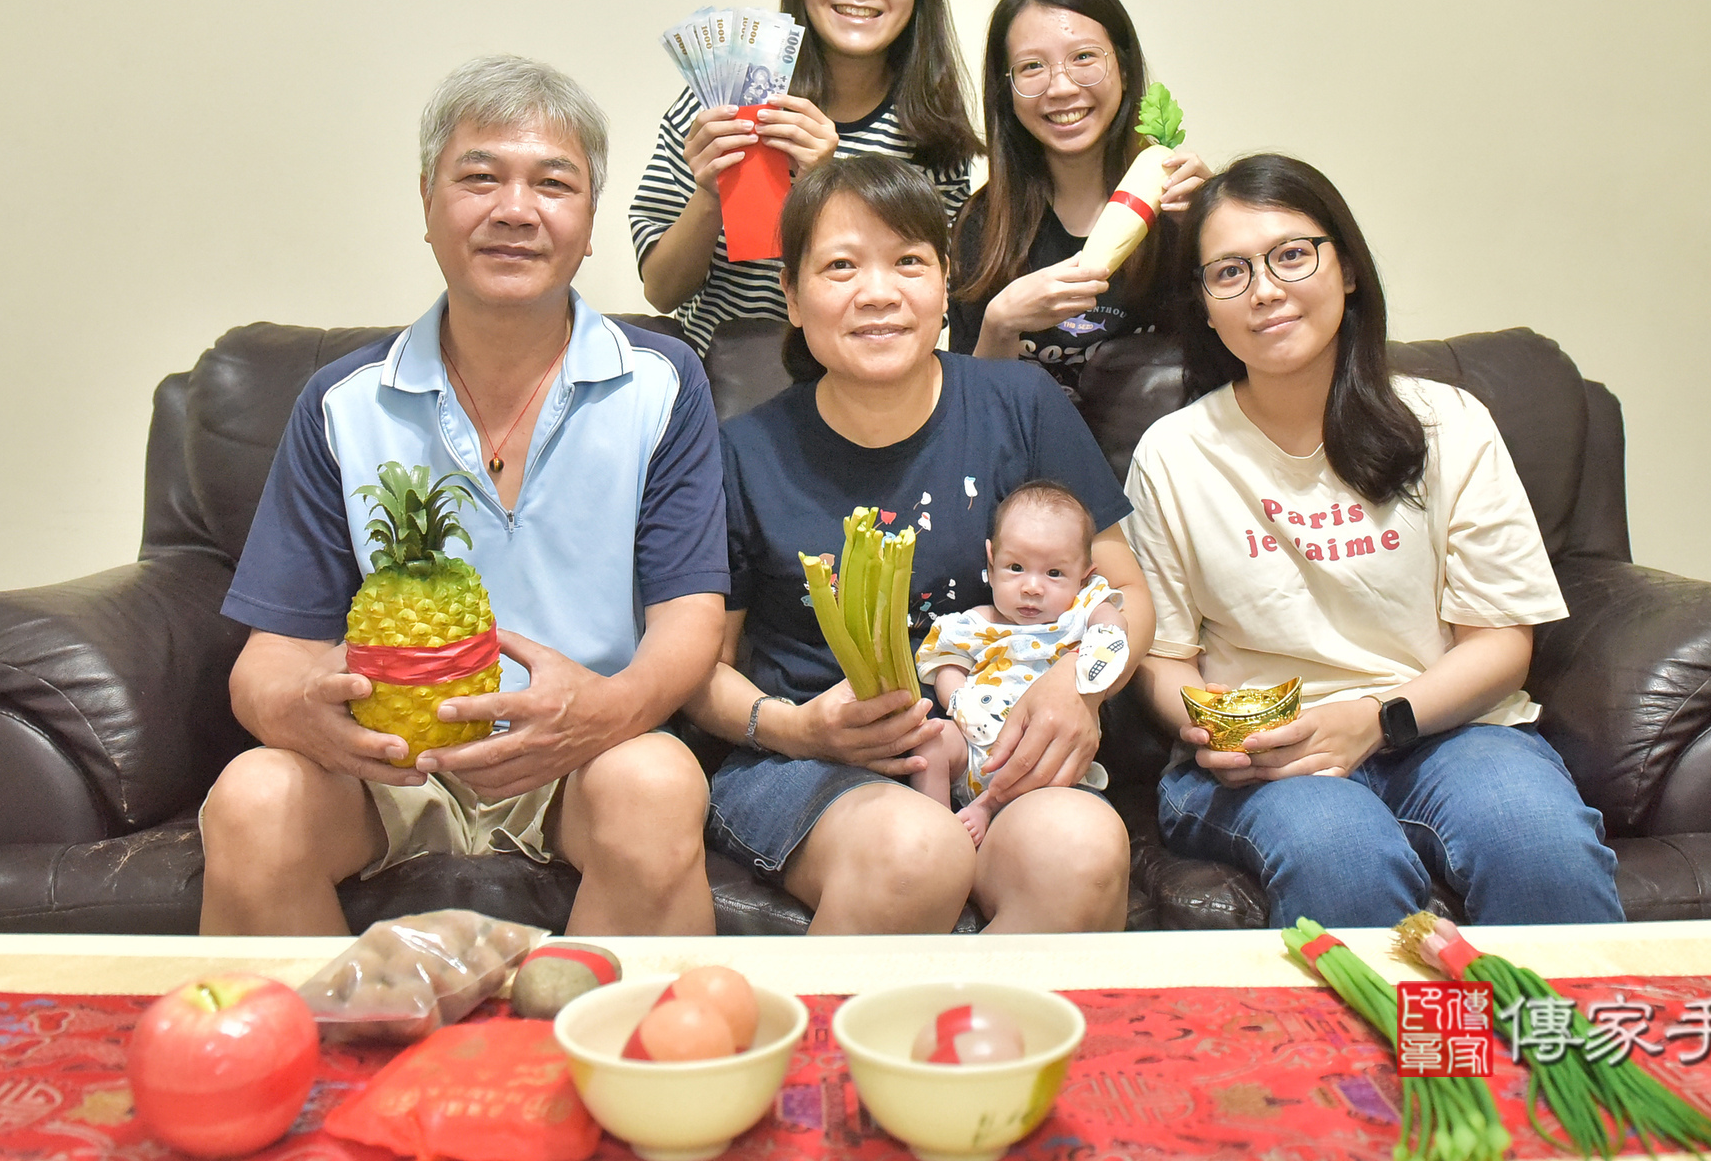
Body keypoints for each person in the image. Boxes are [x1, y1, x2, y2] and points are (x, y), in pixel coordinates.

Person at [198, 55, 730, 937]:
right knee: (252, 797)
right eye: (478, 177)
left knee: (659, 781)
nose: (514, 209)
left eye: (553, 183)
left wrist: (609, 710)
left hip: (581, 757)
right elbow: (267, 661)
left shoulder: (663, 383)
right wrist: (301, 710)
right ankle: (317, 1061)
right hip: (390, 762)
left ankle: (612, 1065)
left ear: (591, 219)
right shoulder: (343, 400)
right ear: (427, 202)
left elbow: (690, 618)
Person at [1122, 153, 1624, 928]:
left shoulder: (1445, 422)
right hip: (1272, 756)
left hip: (1441, 729)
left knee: (1537, 841)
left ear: (1347, 268)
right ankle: (1417, 1056)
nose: (1264, 291)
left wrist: (1378, 719)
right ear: (1206, 305)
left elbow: (1499, 642)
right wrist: (1208, 721)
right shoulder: (1174, 452)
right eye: (1229, 272)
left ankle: (1558, 1051)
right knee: (1341, 852)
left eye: (1291, 255)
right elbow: (1162, 655)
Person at [689, 154, 1152, 933]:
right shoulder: (742, 451)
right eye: (841, 266)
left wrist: (1083, 684)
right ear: (793, 299)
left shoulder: (1020, 402)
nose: (878, 292)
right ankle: (837, 1059)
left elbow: (1127, 594)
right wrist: (795, 727)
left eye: (908, 262)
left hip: (995, 751)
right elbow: (699, 668)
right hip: (807, 764)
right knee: (916, 850)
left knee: (1082, 848)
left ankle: (991, 1053)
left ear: (944, 287)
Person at [632, 0, 982, 353]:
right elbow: (661, 290)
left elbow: (927, 304)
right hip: (727, 387)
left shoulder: (932, 128)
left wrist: (829, 183)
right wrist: (711, 195)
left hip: (865, 388)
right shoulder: (724, 98)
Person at [948, 0, 1207, 391]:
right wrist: (1000, 324)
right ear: (1006, 90)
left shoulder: (1180, 205)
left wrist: (1220, 234)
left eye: (1084, 57)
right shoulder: (981, 226)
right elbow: (968, 414)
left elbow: (1236, 370)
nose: (1062, 87)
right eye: (1032, 66)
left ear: (1122, 67)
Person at [911, 479, 1132, 846]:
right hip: (971, 747)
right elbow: (947, 665)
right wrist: (958, 699)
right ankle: (935, 831)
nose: (1032, 587)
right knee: (932, 741)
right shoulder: (972, 624)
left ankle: (985, 806)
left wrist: (1104, 634)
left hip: (1041, 746)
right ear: (991, 561)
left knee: (1044, 755)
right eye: (1016, 567)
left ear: (1084, 576)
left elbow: (1110, 619)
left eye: (1054, 573)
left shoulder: (1077, 614)